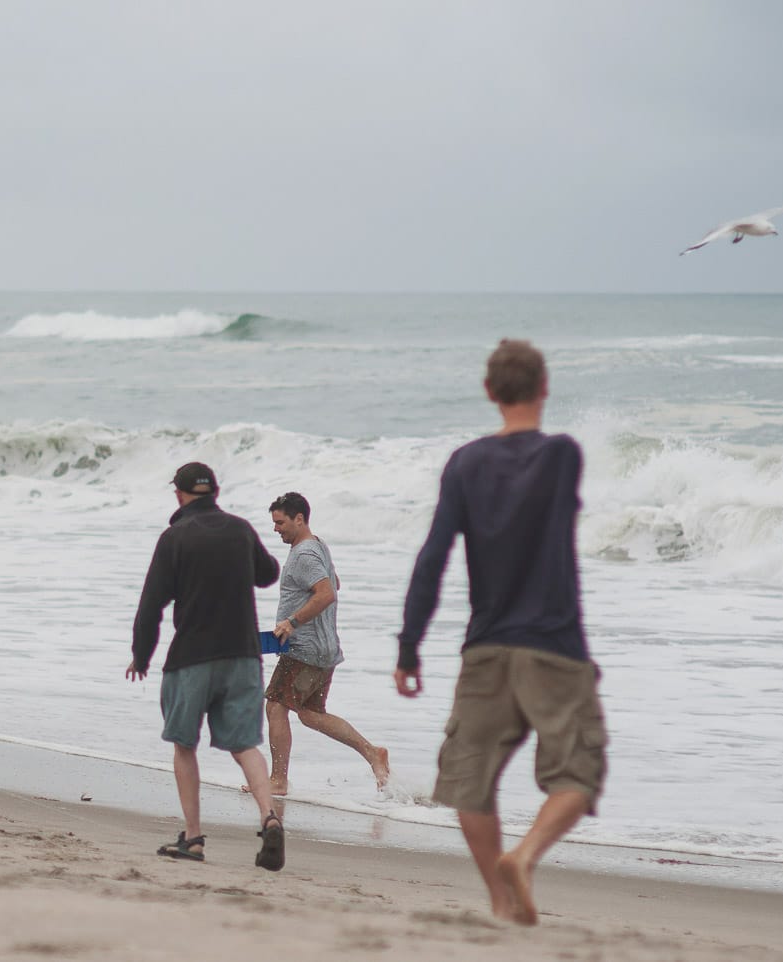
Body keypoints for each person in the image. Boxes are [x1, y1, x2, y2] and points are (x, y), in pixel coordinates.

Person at [395, 340, 606, 926]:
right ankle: (526, 855)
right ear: (544, 388)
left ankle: (498, 899)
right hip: (555, 647)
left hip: (485, 647)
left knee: (468, 778)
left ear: (489, 392)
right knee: (577, 776)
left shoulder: (464, 463)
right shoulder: (563, 455)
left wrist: (409, 645)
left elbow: (433, 557)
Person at [128, 462, 288, 871]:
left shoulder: (174, 537)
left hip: (192, 657)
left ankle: (194, 838)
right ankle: (269, 816)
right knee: (244, 745)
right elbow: (269, 574)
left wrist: (141, 656)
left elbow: (151, 606)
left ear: (179, 494)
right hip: (242, 656)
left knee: (185, 744)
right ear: (215, 491)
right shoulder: (239, 530)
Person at [259, 492, 390, 795]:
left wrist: (292, 622)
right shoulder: (318, 545)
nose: (276, 528)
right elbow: (335, 583)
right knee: (309, 713)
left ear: (299, 519)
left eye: (280, 522)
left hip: (306, 648)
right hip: (323, 646)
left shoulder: (304, 554)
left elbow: (327, 592)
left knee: (276, 706)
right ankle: (373, 753)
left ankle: (278, 780)